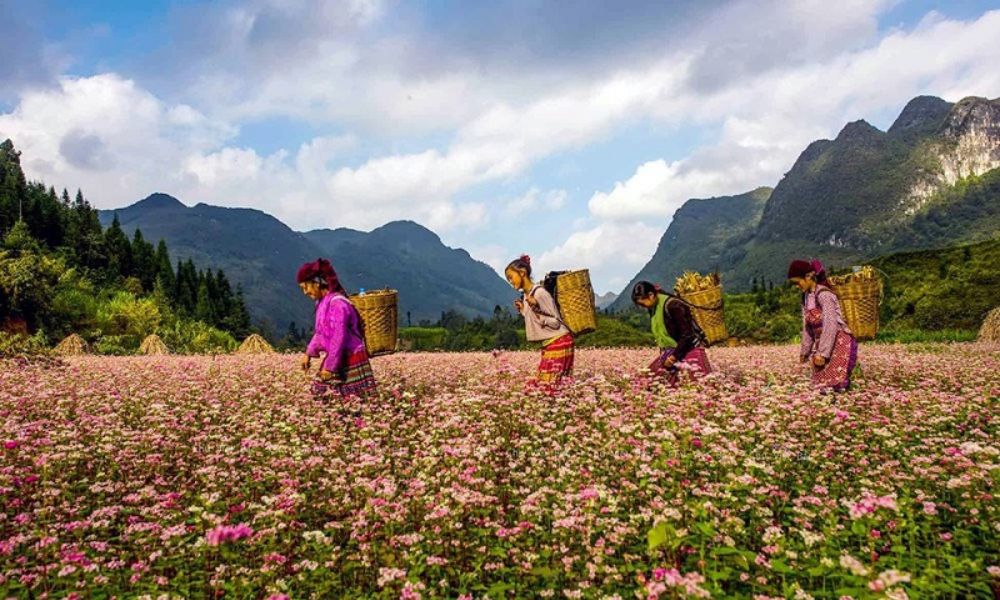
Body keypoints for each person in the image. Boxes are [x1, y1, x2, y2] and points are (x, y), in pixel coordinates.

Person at [296, 258, 377, 399]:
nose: (305, 292)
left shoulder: (338, 304)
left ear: (317, 283)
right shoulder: (322, 303)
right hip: (337, 357)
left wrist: (330, 367)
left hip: (351, 358)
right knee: (325, 399)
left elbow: (339, 337)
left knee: (353, 405)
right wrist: (307, 354)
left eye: (306, 287)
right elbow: (320, 333)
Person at [787, 259, 858, 392]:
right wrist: (805, 351)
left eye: (798, 282)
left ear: (808, 276)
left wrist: (823, 354)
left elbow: (830, 324)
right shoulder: (806, 298)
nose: (797, 286)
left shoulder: (824, 294)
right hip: (824, 344)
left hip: (840, 342)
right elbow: (807, 328)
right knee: (821, 386)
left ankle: (841, 410)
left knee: (836, 383)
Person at [504, 255, 574, 384]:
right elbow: (535, 318)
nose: (510, 281)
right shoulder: (526, 296)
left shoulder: (540, 293)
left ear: (522, 273)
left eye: (511, 277)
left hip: (559, 341)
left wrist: (535, 308)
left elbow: (556, 322)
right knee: (550, 387)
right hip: (550, 343)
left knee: (549, 387)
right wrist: (524, 310)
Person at [630, 280, 712, 385]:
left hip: (688, 349)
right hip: (672, 352)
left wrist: (674, 357)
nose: (643, 307)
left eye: (643, 303)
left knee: (699, 387)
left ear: (651, 295)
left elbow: (687, 335)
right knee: (646, 383)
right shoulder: (653, 308)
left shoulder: (673, 305)